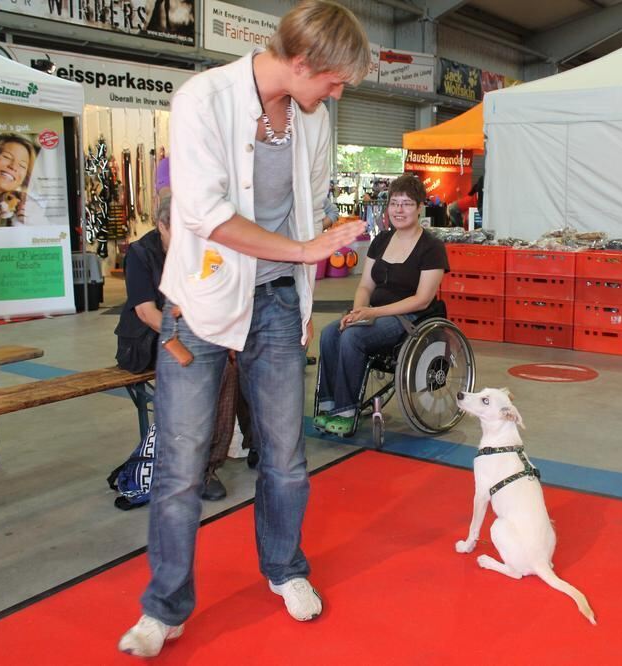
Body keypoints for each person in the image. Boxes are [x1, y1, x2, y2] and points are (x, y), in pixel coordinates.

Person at [117, 1, 370, 657]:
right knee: (180, 464)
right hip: (198, 305)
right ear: (301, 62)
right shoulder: (204, 97)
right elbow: (203, 212)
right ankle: (163, 606)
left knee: (285, 459)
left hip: (280, 305)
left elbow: (309, 208)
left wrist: (313, 271)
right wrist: (309, 251)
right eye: (334, 80)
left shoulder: (312, 118)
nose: (337, 93)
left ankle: (284, 567)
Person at [113, 188, 245, 502]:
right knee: (211, 371)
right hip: (149, 340)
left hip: (194, 333)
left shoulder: (199, 249)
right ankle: (194, 467)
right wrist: (194, 340)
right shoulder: (140, 253)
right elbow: (147, 313)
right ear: (161, 225)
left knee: (236, 363)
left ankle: (229, 454)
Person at [314, 174, 449, 435]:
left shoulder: (432, 247)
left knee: (352, 338)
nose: (399, 210)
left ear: (420, 207)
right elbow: (365, 285)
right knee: (332, 332)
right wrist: (358, 312)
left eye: (407, 203)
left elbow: (422, 299)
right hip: (374, 312)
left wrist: (372, 313)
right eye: (395, 203)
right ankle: (329, 403)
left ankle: (346, 409)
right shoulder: (382, 240)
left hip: (409, 318)